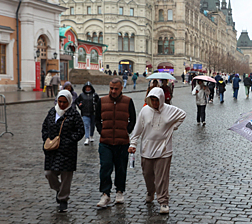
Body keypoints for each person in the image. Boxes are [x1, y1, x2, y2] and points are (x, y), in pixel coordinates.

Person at [128, 88, 186, 214]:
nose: (154, 103)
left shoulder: (170, 110)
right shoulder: (145, 111)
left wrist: (173, 127)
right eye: (152, 100)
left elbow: (182, 115)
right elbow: (138, 128)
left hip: (164, 149)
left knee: (162, 177)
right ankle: (150, 191)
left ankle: (163, 201)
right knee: (147, 174)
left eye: (156, 100)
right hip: (147, 149)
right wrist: (133, 143)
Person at [95, 78, 137, 208]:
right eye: (111, 88)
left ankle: (120, 191)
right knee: (105, 167)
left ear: (121, 88)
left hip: (122, 141)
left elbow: (133, 119)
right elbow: (97, 119)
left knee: (121, 168)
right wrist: (102, 131)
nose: (113, 91)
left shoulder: (128, 101)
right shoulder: (101, 101)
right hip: (106, 141)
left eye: (116, 89)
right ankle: (105, 194)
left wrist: (126, 131)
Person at [42, 90, 85, 213]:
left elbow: (80, 131)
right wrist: (46, 139)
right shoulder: (52, 112)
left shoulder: (74, 114)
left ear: (69, 102)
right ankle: (59, 190)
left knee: (66, 176)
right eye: (60, 101)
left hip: (68, 151)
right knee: (49, 173)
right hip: (52, 150)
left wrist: (69, 140)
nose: (61, 104)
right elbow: (45, 127)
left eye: (64, 102)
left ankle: (63, 199)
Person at [75, 81, 100, 146]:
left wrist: (96, 107)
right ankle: (87, 137)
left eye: (89, 87)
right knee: (86, 125)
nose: (88, 89)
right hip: (85, 112)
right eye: (87, 87)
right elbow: (77, 101)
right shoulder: (82, 95)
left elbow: (99, 102)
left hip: (93, 113)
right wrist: (80, 106)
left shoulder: (95, 95)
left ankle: (91, 135)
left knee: (92, 125)